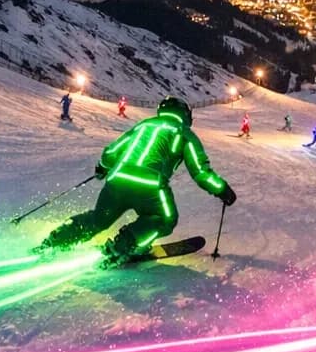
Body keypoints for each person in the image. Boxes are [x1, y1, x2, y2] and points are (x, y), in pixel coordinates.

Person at [36, 96, 236, 265]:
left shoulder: (143, 125)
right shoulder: (184, 133)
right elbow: (200, 172)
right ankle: (124, 246)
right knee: (165, 219)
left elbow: (112, 151)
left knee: (99, 219)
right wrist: (222, 189)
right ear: (186, 115)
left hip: (117, 180)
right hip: (149, 185)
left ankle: (56, 240)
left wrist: (103, 167)